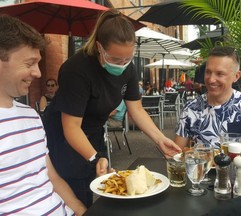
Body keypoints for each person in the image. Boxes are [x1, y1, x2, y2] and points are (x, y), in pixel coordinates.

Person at [42, 9, 181, 208]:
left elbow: (137, 109)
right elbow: (71, 127)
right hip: (63, 137)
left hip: (93, 132)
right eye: (116, 60)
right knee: (74, 194)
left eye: (128, 59)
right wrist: (95, 156)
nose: (122, 65)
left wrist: (160, 140)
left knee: (92, 185)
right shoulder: (77, 69)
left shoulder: (128, 68)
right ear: (99, 47)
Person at [0, 15, 86, 215]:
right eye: (30, 63)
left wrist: (82, 210)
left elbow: (52, 178)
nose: (38, 73)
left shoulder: (31, 116)